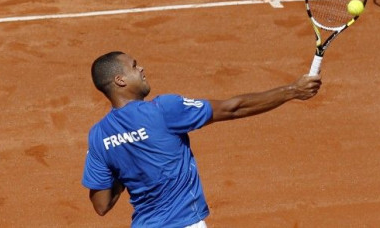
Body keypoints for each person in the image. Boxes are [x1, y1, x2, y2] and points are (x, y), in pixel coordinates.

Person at [82, 51, 321, 227]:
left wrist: (128, 159)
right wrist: (293, 91)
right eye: (134, 67)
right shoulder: (163, 109)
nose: (141, 68)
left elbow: (101, 204)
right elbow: (232, 108)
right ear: (120, 81)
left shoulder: (98, 135)